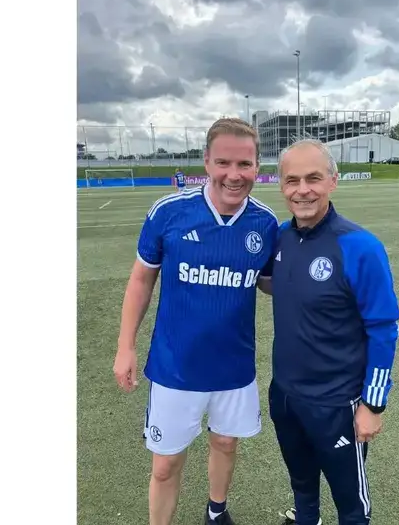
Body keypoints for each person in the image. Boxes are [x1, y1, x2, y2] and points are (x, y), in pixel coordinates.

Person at [113, 117, 279, 525]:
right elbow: (140, 280)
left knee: (225, 441)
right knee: (166, 465)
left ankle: (216, 512)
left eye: (245, 165)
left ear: (257, 166)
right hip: (175, 366)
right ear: (206, 162)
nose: (234, 175)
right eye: (223, 163)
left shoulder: (266, 223)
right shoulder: (169, 212)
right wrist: (125, 346)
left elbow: (272, 285)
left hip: (235, 366)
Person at [265, 139, 399, 525]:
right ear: (281, 186)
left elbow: (383, 329)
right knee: (302, 484)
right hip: (286, 396)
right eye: (292, 180)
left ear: (333, 181)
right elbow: (268, 280)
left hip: (337, 403)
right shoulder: (280, 237)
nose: (302, 189)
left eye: (313, 178)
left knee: (351, 506)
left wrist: (372, 405)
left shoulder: (360, 246)